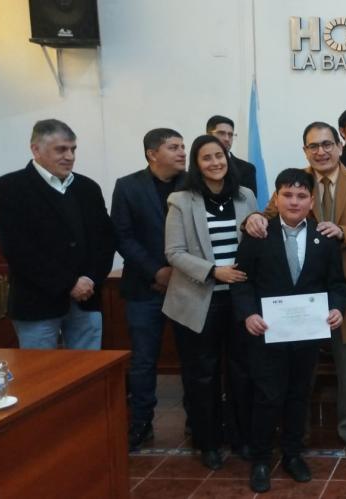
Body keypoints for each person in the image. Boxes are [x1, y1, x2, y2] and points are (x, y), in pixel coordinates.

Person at [244, 121, 346, 458]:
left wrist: (343, 232)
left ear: (340, 147)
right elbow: (266, 216)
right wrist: (249, 218)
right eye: (313, 146)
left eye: (327, 144)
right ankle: (299, 430)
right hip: (300, 295)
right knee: (299, 370)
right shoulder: (296, 180)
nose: (321, 151)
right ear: (305, 151)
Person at [231, 168, 346, 493]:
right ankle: (261, 459)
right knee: (268, 396)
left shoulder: (323, 238)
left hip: (307, 336)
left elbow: (337, 284)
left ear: (311, 200)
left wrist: (337, 307)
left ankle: (293, 455)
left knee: (299, 396)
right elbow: (243, 283)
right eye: (287, 195)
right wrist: (249, 314)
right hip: (267, 333)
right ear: (277, 198)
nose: (294, 201)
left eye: (301, 196)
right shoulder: (258, 234)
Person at [162, 135, 257, 470]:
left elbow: (256, 242)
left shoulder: (246, 196)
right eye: (207, 158)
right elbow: (174, 253)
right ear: (196, 164)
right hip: (197, 300)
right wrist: (215, 272)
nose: (216, 162)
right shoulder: (181, 200)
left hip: (240, 301)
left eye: (220, 156)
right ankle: (208, 443)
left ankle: (242, 437)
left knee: (242, 372)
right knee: (202, 376)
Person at [0, 119, 115, 350]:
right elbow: (17, 249)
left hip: (87, 298)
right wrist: (69, 283)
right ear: (36, 149)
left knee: (87, 374)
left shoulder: (88, 188)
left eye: (73, 149)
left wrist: (90, 279)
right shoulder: (8, 188)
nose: (69, 156)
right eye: (61, 149)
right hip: (37, 301)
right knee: (41, 376)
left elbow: (104, 240)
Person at [111, 128, 186, 451]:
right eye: (174, 147)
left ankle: (199, 422)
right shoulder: (128, 186)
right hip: (145, 288)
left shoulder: (192, 185)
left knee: (193, 358)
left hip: (187, 287)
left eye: (183, 146)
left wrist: (178, 272)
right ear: (152, 153)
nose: (183, 152)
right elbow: (122, 235)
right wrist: (156, 271)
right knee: (143, 361)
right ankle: (141, 423)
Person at [206, 115, 258, 197]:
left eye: (230, 134)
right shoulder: (201, 165)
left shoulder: (247, 169)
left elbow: (249, 205)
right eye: (221, 133)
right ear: (208, 135)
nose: (227, 139)